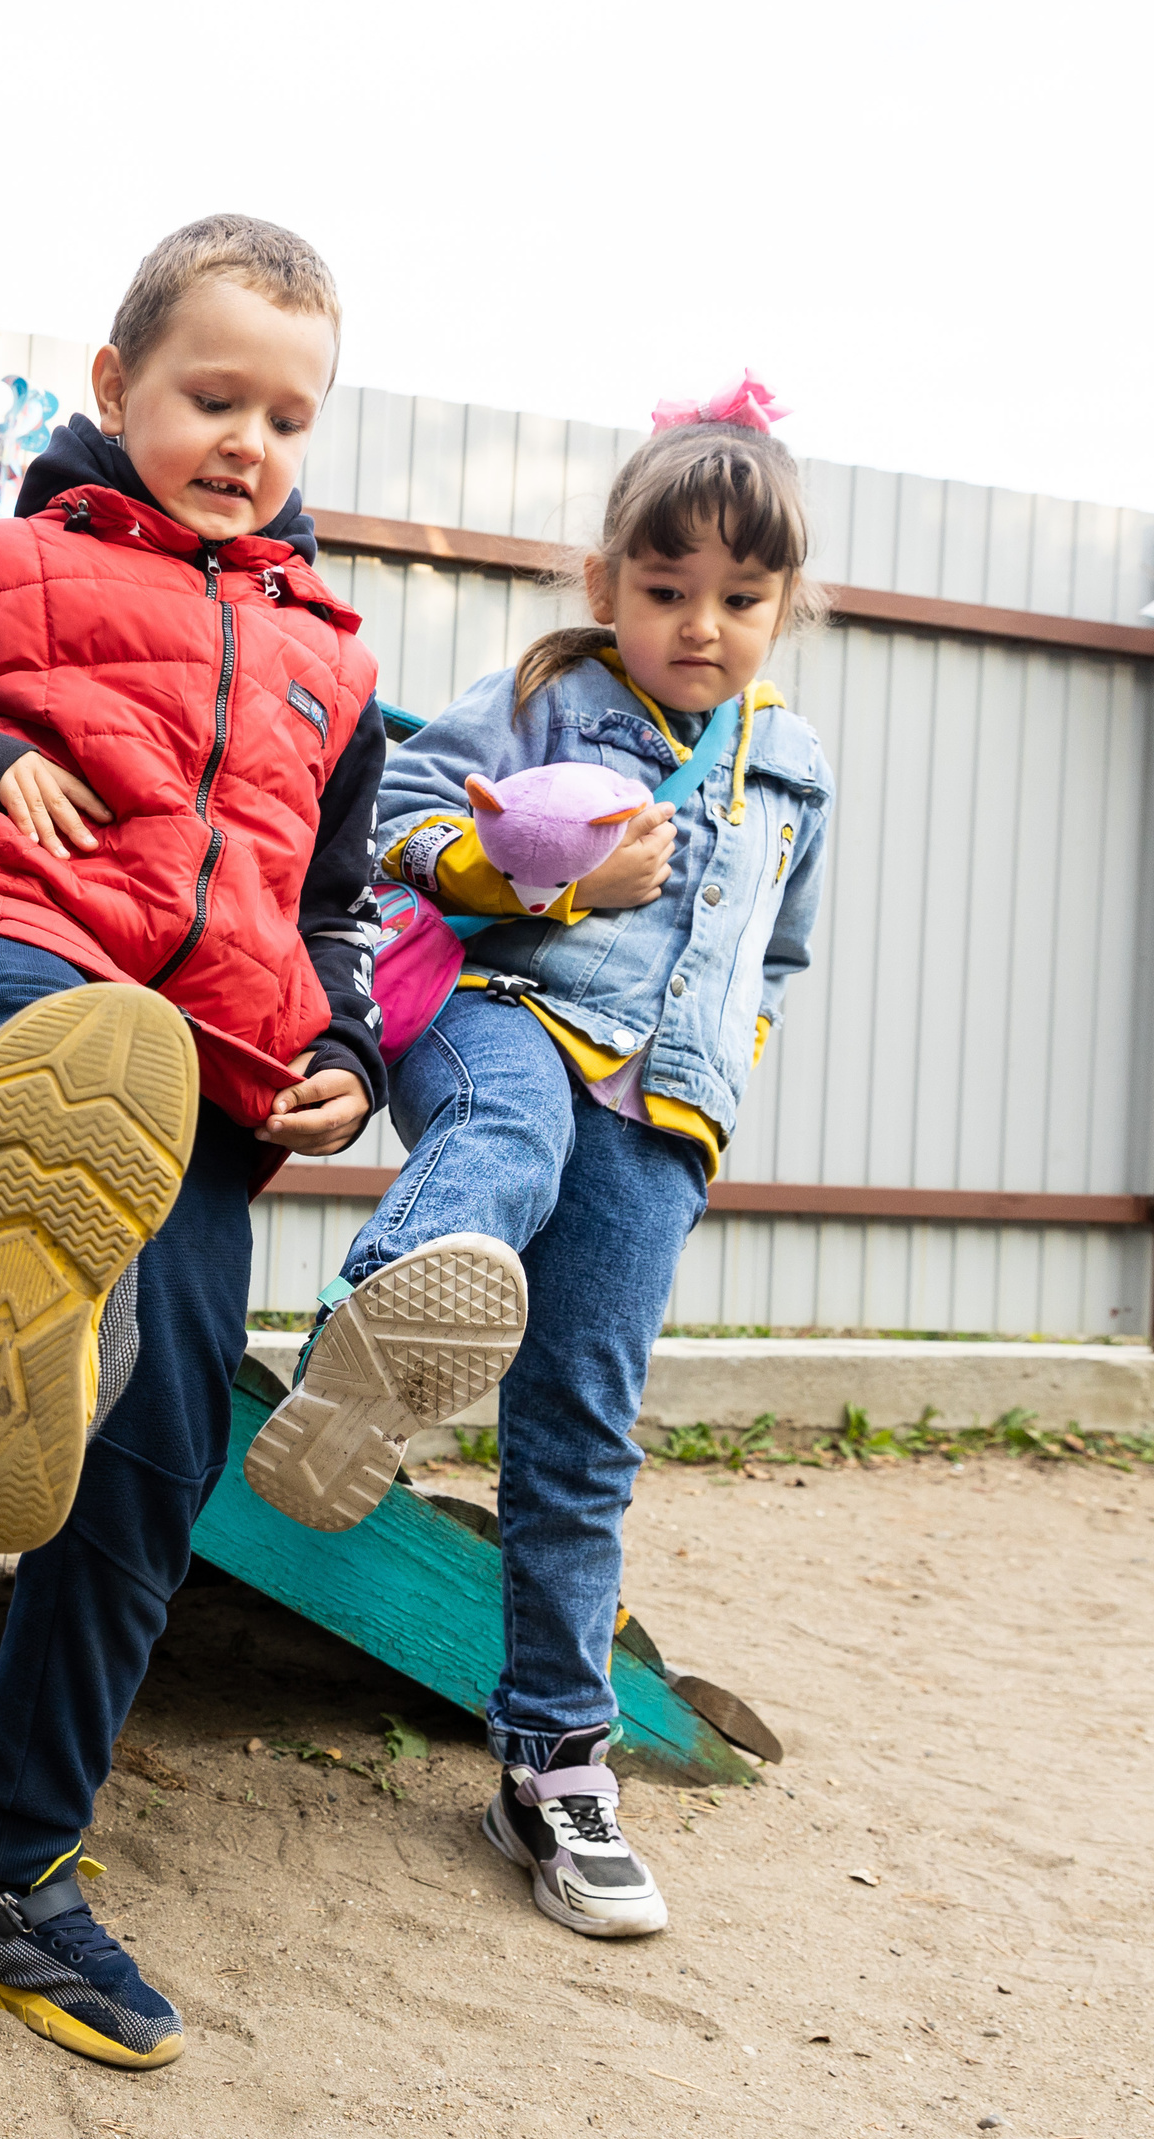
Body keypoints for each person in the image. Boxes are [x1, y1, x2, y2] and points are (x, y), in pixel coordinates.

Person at [0, 213, 387, 2070]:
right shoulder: (7, 561)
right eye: (213, 395)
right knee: (42, 1041)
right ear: (117, 390)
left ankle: (6, 1882)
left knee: (164, 1448)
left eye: (288, 414)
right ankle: (16, 1217)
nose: (248, 442)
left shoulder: (329, 665)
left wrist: (343, 1040)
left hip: (207, 1072)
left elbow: (331, 904)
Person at [249, 375, 832, 1939]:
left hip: (660, 1106)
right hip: (497, 999)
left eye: (739, 597)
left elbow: (777, 951)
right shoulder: (548, 697)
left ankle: (553, 1771)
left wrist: (726, 1072)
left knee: (581, 1431)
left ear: (786, 604)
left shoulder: (794, 770)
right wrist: (546, 873)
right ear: (607, 586)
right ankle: (366, 1346)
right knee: (503, 1133)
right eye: (665, 590)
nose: (699, 624)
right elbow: (402, 824)